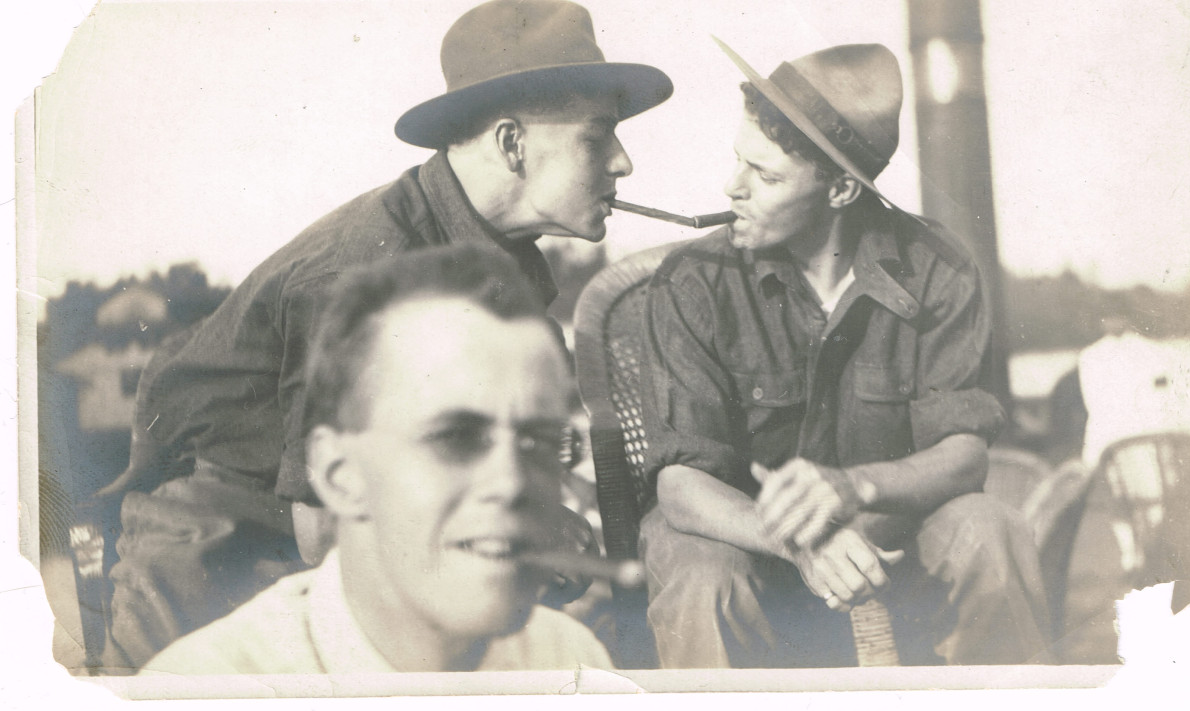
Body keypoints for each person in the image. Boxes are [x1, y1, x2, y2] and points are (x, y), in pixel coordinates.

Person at [99, 0, 672, 669]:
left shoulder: (494, 260)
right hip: (222, 553)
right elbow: (326, 526)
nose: (624, 162)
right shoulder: (368, 270)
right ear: (513, 144)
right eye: (597, 137)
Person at [638, 41, 1050, 668]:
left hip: (888, 550)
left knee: (991, 531)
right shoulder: (694, 281)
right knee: (702, 575)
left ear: (839, 191)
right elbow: (681, 485)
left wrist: (855, 488)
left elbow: (964, 456)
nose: (733, 187)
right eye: (738, 162)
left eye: (766, 176)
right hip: (739, 541)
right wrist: (797, 542)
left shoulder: (938, 269)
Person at [142, 245, 614, 674]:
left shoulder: (571, 663)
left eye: (539, 440)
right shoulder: (206, 686)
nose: (512, 481)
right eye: (454, 438)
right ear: (339, 475)